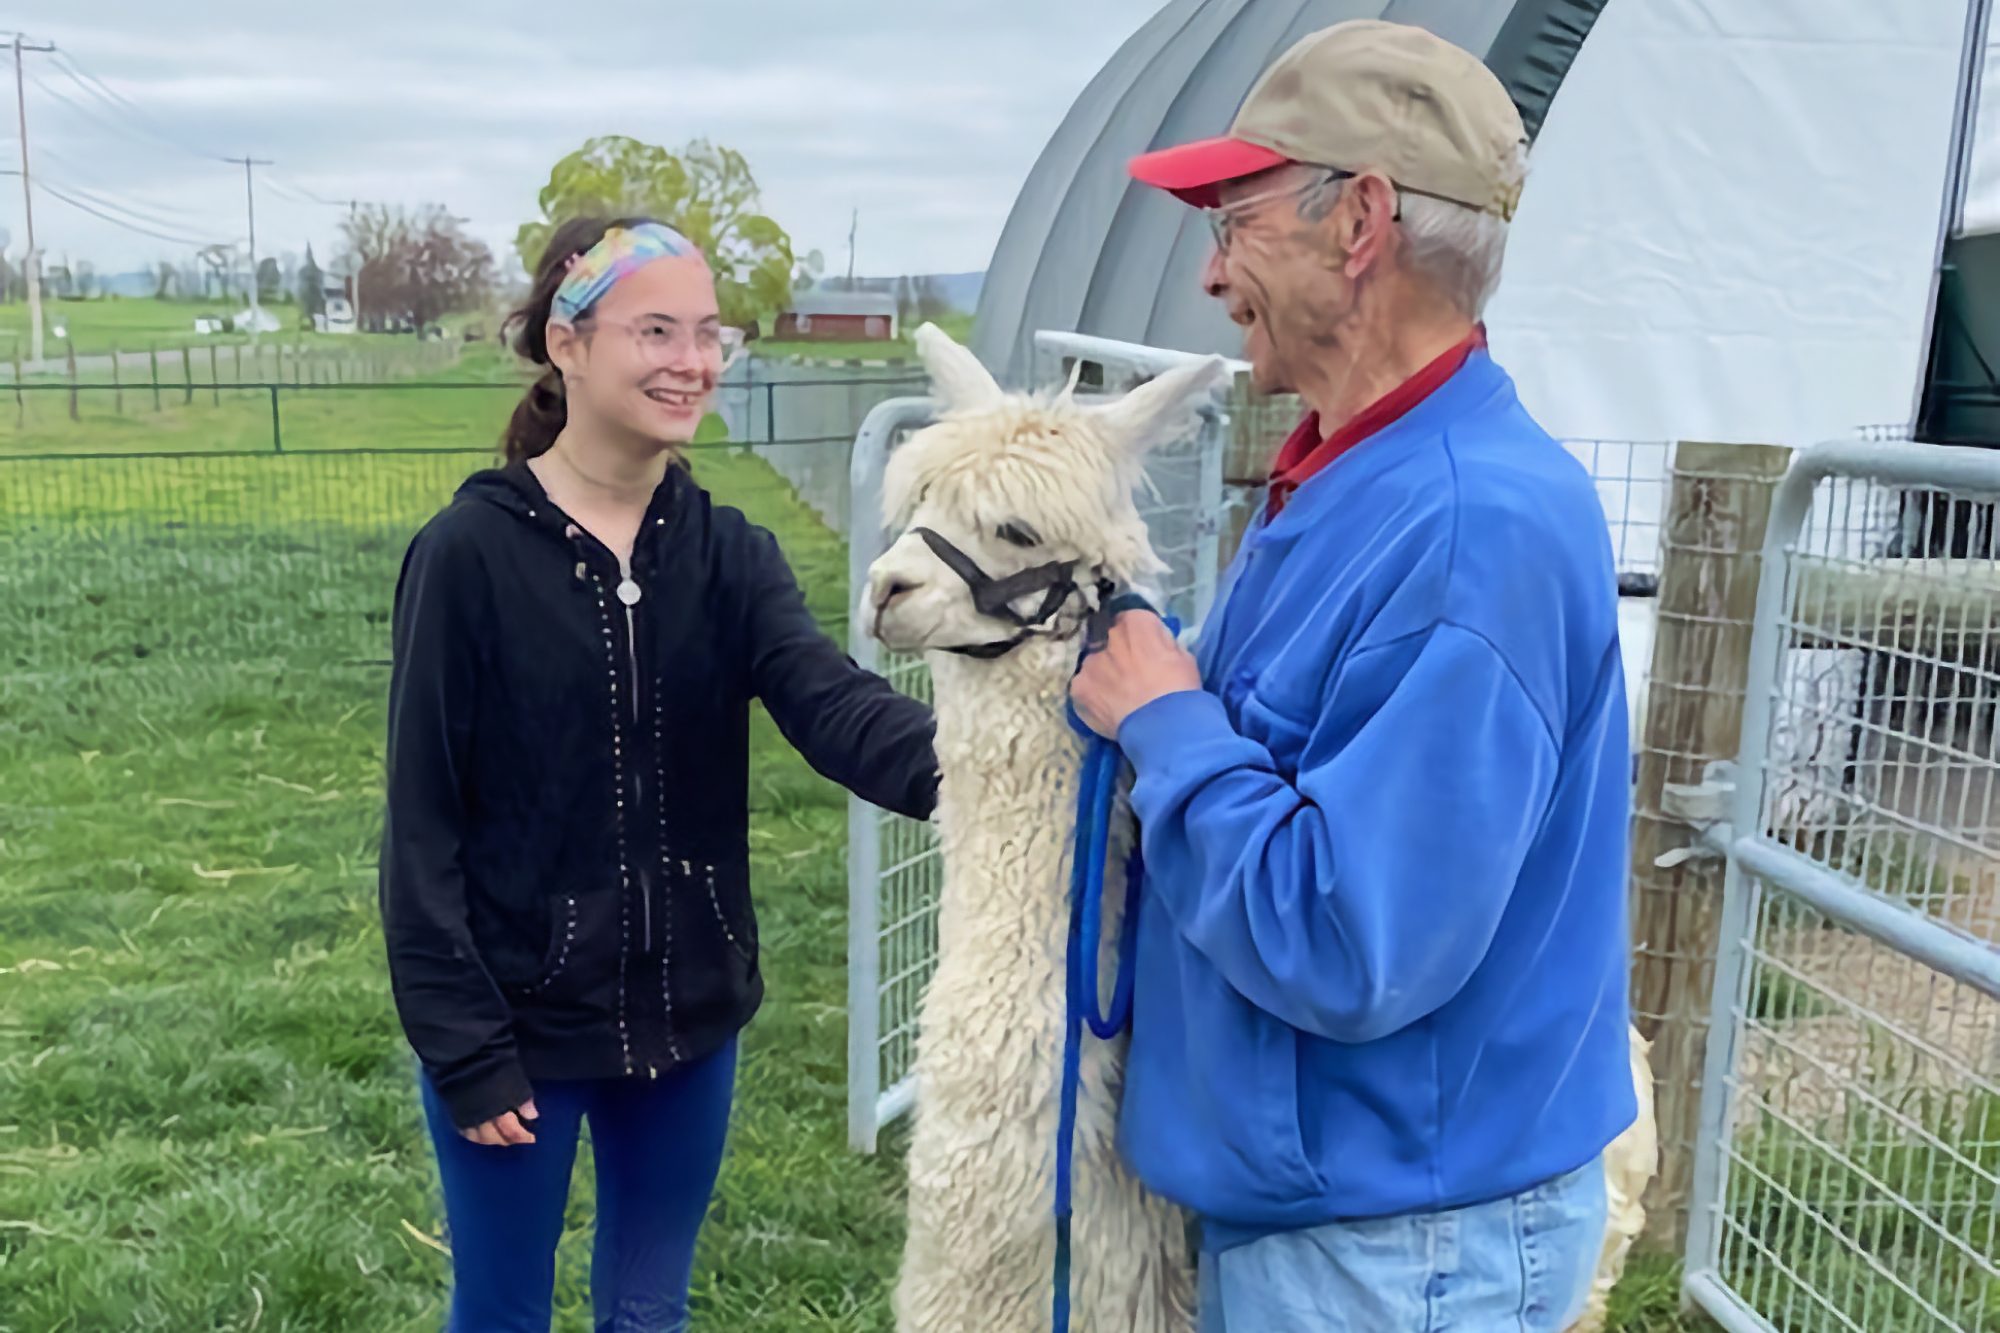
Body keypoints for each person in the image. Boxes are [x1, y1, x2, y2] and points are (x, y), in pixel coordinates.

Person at [1068, 21, 1636, 1332]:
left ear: (1360, 220)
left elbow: (1349, 939)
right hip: (1352, 1217)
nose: (1212, 276)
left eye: (1234, 222)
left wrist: (1166, 721)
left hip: (1394, 1252)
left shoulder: (1461, 528)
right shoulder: (1359, 473)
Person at [379, 216, 939, 1331]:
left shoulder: (729, 554)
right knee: (499, 1315)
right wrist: (464, 1046)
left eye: (708, 333)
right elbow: (420, 825)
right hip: (518, 1031)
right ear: (566, 344)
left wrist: (1007, 768)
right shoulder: (469, 556)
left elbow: (831, 707)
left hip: (690, 1020)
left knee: (648, 1313)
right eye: (655, 330)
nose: (692, 361)